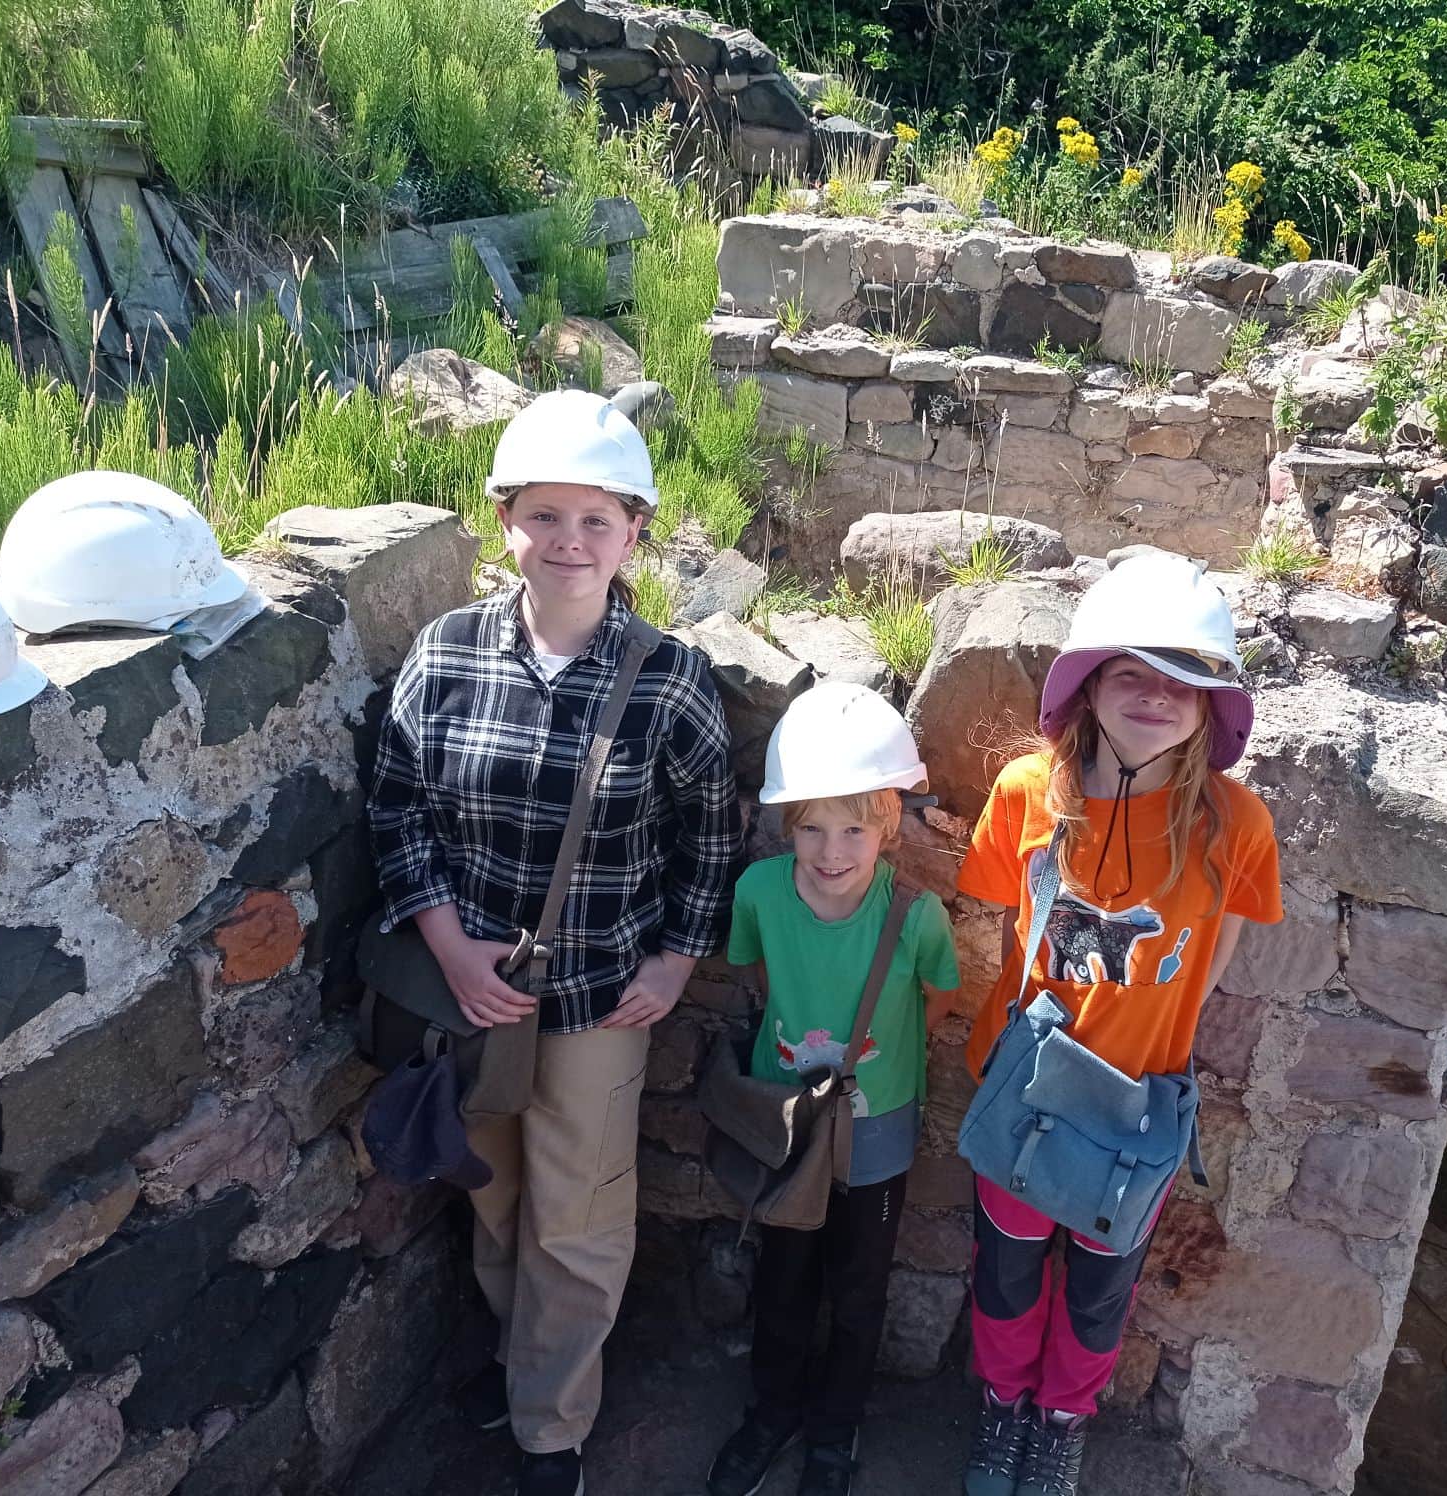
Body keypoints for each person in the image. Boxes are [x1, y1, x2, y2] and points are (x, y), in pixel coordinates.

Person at [368, 390, 742, 1496]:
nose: (567, 541)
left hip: (594, 991)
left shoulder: (666, 677)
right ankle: (523, 1357)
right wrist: (445, 943)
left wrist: (675, 961)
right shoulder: (446, 653)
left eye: (594, 518)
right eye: (543, 515)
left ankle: (551, 1427)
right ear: (505, 523)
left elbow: (709, 834)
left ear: (634, 532)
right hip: (471, 988)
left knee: (576, 1214)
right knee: (491, 1188)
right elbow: (395, 807)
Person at [953, 554, 1283, 1496]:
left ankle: (1061, 1423)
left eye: (1185, 678)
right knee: (1006, 1276)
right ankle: (1002, 1411)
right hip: (1023, 1091)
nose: (1156, 695)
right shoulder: (1025, 790)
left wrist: (1157, 1032)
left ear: (1212, 706)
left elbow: (1214, 955)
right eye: (1131, 671)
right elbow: (1002, 921)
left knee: (1100, 1297)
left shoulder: (1234, 823)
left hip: (1137, 1110)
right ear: (1090, 682)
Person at [706, 682, 961, 1496]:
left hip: (877, 1127)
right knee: (783, 1275)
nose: (831, 851)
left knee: (858, 1288)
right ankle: (774, 1409)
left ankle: (836, 1426)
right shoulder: (758, 894)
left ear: (888, 826)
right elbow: (752, 967)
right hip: (790, 1123)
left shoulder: (915, 917)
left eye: (854, 828)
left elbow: (940, 999)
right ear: (787, 828)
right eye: (811, 828)